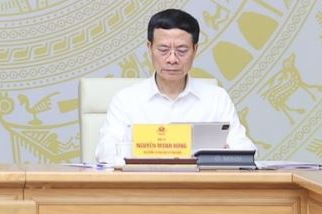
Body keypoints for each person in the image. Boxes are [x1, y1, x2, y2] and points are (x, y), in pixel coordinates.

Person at [95, 8, 253, 165]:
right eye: (163, 50)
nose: (172, 59)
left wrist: (221, 155)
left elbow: (246, 149)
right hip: (145, 180)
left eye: (182, 51)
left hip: (199, 181)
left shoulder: (217, 98)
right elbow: (105, 152)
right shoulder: (126, 99)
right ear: (149, 48)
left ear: (195, 50)